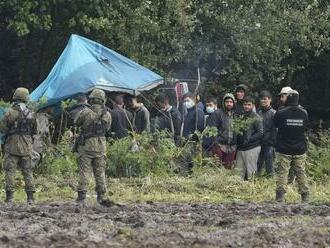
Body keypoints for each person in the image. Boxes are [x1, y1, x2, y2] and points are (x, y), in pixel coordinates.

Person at [74, 89, 112, 204]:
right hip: (101, 146)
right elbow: (108, 128)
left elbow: (76, 122)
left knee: (84, 171)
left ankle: (82, 197)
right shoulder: (107, 114)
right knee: (100, 172)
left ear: (91, 99)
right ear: (102, 100)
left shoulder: (86, 111)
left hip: (87, 145)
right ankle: (101, 196)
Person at [0, 87, 37, 204]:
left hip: (12, 146)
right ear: (26, 98)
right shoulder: (32, 113)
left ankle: (10, 198)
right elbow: (34, 131)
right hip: (27, 146)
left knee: (10, 171)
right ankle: (31, 198)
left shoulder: (9, 112)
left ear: (15, 97)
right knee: (28, 172)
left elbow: (3, 128)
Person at [273, 89, 309, 203]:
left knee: (282, 172)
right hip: (299, 148)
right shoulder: (304, 112)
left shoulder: (281, 112)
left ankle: (280, 197)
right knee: (300, 172)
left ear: (288, 98)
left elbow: (275, 124)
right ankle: (305, 196)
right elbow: (305, 127)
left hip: (284, 148)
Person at [204, 94, 237, 169]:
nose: (229, 104)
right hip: (220, 145)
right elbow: (212, 129)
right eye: (227, 102)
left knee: (228, 168)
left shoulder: (236, 114)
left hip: (232, 146)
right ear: (223, 103)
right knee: (217, 168)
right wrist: (216, 143)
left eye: (231, 102)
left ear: (233, 103)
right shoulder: (217, 113)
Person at [236, 96, 263, 180]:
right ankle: (238, 190)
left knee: (251, 173)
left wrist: (248, 140)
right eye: (245, 104)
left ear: (253, 105)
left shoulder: (256, 117)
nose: (246, 106)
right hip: (241, 148)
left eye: (249, 104)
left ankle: (253, 190)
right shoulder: (241, 116)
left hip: (252, 148)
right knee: (238, 173)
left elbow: (260, 133)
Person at [277, 86, 296, 183]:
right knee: (283, 170)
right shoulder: (281, 109)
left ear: (289, 96)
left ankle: (291, 185)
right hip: (284, 145)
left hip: (295, 145)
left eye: (283, 96)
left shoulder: (299, 109)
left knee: (295, 169)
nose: (281, 99)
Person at [257, 90, 277, 177]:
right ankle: (256, 181)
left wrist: (271, 142)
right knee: (258, 164)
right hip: (259, 142)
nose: (263, 101)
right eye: (261, 99)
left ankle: (270, 183)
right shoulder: (258, 113)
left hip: (270, 143)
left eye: (265, 99)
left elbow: (275, 130)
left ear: (270, 100)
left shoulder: (274, 113)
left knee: (269, 165)